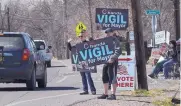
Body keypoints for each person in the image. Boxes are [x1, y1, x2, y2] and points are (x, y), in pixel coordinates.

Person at [67, 30, 96, 95]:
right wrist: (68, 43)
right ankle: (85, 90)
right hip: (80, 63)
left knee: (88, 76)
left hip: (87, 63)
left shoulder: (88, 43)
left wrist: (91, 39)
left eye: (82, 36)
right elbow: (72, 49)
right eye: (79, 36)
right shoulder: (78, 44)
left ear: (84, 36)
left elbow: (94, 45)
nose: (80, 37)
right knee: (83, 77)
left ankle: (93, 90)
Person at [97, 28, 122, 100]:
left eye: (108, 32)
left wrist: (112, 58)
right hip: (105, 61)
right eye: (106, 33)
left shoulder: (115, 40)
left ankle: (113, 95)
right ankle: (105, 94)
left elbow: (118, 51)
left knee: (113, 77)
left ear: (112, 33)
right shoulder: (104, 40)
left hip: (113, 61)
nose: (107, 34)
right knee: (104, 77)